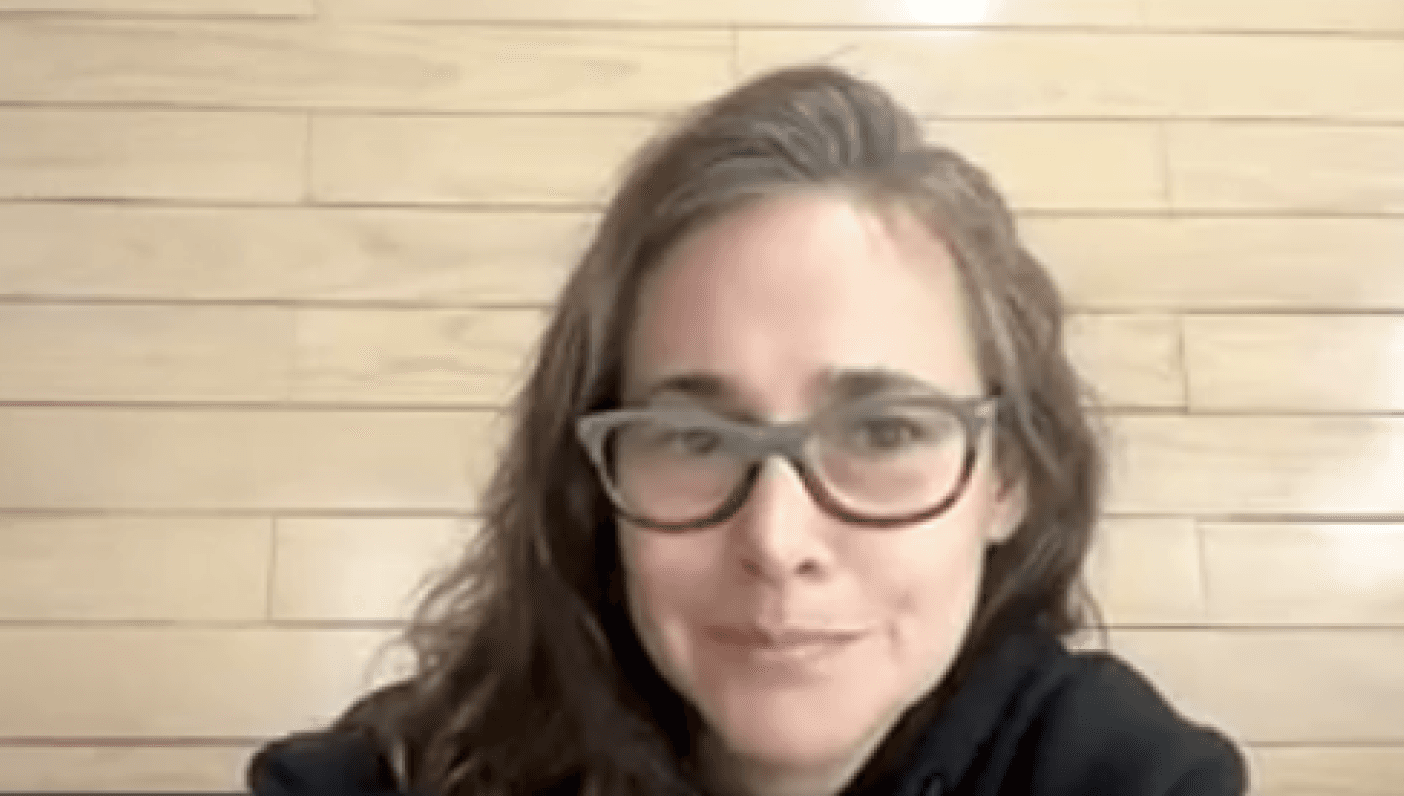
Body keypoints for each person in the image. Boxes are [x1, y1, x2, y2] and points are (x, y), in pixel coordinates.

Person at [247, 65, 1246, 796]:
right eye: (694, 438)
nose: (774, 540)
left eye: (884, 432)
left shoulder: (1126, 773)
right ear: (595, 485)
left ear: (1007, 477)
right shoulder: (394, 774)